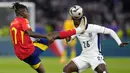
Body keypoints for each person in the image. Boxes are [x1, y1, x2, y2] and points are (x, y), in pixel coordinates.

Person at [9, 3, 87, 73]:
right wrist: (44, 36)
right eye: (27, 12)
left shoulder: (13, 23)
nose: (28, 14)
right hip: (29, 51)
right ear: (22, 13)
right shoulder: (23, 20)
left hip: (21, 54)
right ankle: (78, 30)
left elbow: (21, 37)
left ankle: (68, 35)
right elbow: (30, 33)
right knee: (51, 35)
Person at [62, 5, 129, 73]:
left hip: (95, 56)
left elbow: (110, 31)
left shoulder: (93, 28)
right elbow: (69, 40)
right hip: (84, 56)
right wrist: (67, 38)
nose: (75, 22)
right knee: (66, 69)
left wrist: (119, 42)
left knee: (104, 72)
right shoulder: (77, 30)